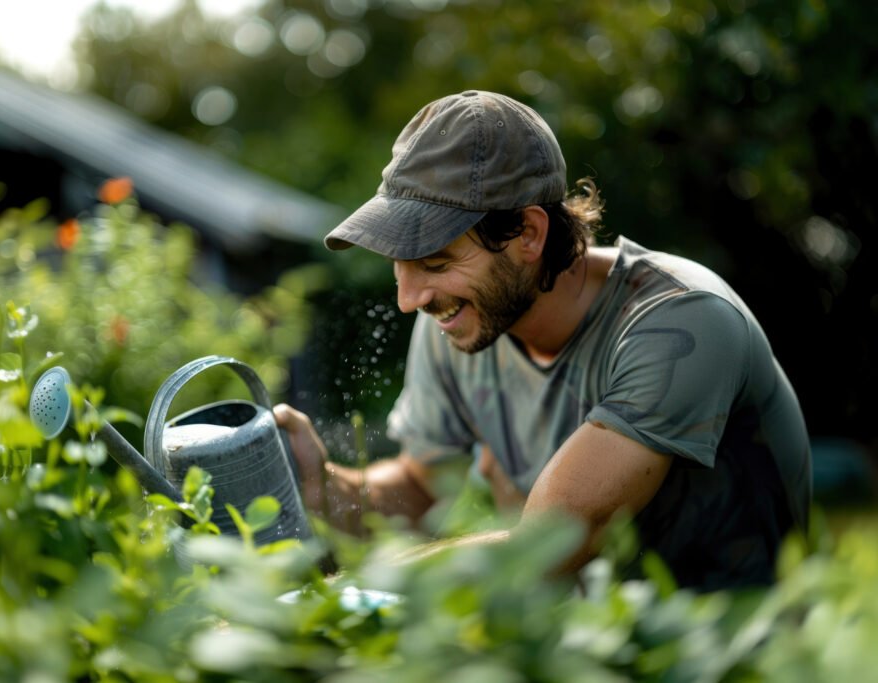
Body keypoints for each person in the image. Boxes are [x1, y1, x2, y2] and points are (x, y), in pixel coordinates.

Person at [273, 90, 811, 591]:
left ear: (529, 233)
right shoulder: (459, 322)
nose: (408, 299)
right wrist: (323, 489)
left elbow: (549, 542)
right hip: (592, 650)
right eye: (399, 265)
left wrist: (334, 599)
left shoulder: (681, 321)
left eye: (435, 262)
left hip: (737, 651)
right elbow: (421, 487)